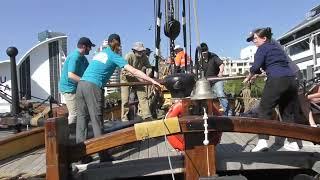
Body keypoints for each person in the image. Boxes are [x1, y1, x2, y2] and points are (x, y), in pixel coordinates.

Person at [76, 34, 161, 161]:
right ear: (119, 45)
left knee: (81, 121)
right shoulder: (114, 56)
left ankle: (81, 156)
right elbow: (134, 71)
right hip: (93, 87)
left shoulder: (100, 53)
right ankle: (103, 155)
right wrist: (152, 81)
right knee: (97, 121)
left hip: (81, 85)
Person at [243, 27, 299, 152]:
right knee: (287, 112)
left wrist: (249, 76)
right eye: (252, 39)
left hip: (277, 80)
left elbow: (256, 66)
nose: (254, 41)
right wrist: (257, 72)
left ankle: (262, 141)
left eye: (255, 38)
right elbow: (275, 64)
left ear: (264, 38)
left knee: (264, 109)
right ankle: (293, 142)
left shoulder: (262, 48)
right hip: (291, 80)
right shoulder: (277, 49)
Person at [59, 37, 95, 126]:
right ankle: (70, 136)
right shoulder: (75, 57)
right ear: (83, 46)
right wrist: (86, 82)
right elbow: (71, 75)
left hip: (77, 87)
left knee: (83, 111)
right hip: (69, 88)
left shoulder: (83, 58)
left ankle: (81, 131)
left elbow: (90, 71)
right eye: (89, 47)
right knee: (74, 114)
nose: (90, 49)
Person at [121, 42, 153, 121]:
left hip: (137, 78)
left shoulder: (144, 57)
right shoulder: (129, 56)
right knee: (125, 99)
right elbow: (124, 71)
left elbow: (149, 67)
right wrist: (139, 76)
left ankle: (146, 115)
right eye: (139, 51)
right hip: (126, 78)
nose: (141, 53)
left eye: (142, 51)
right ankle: (124, 118)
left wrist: (147, 75)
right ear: (134, 50)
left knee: (143, 97)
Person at [200, 42, 232, 116]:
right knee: (203, 96)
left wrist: (221, 72)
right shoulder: (199, 60)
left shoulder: (213, 56)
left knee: (220, 93)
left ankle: (228, 112)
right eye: (203, 53)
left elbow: (221, 64)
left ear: (208, 51)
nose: (204, 55)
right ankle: (207, 112)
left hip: (216, 80)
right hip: (206, 82)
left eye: (205, 53)